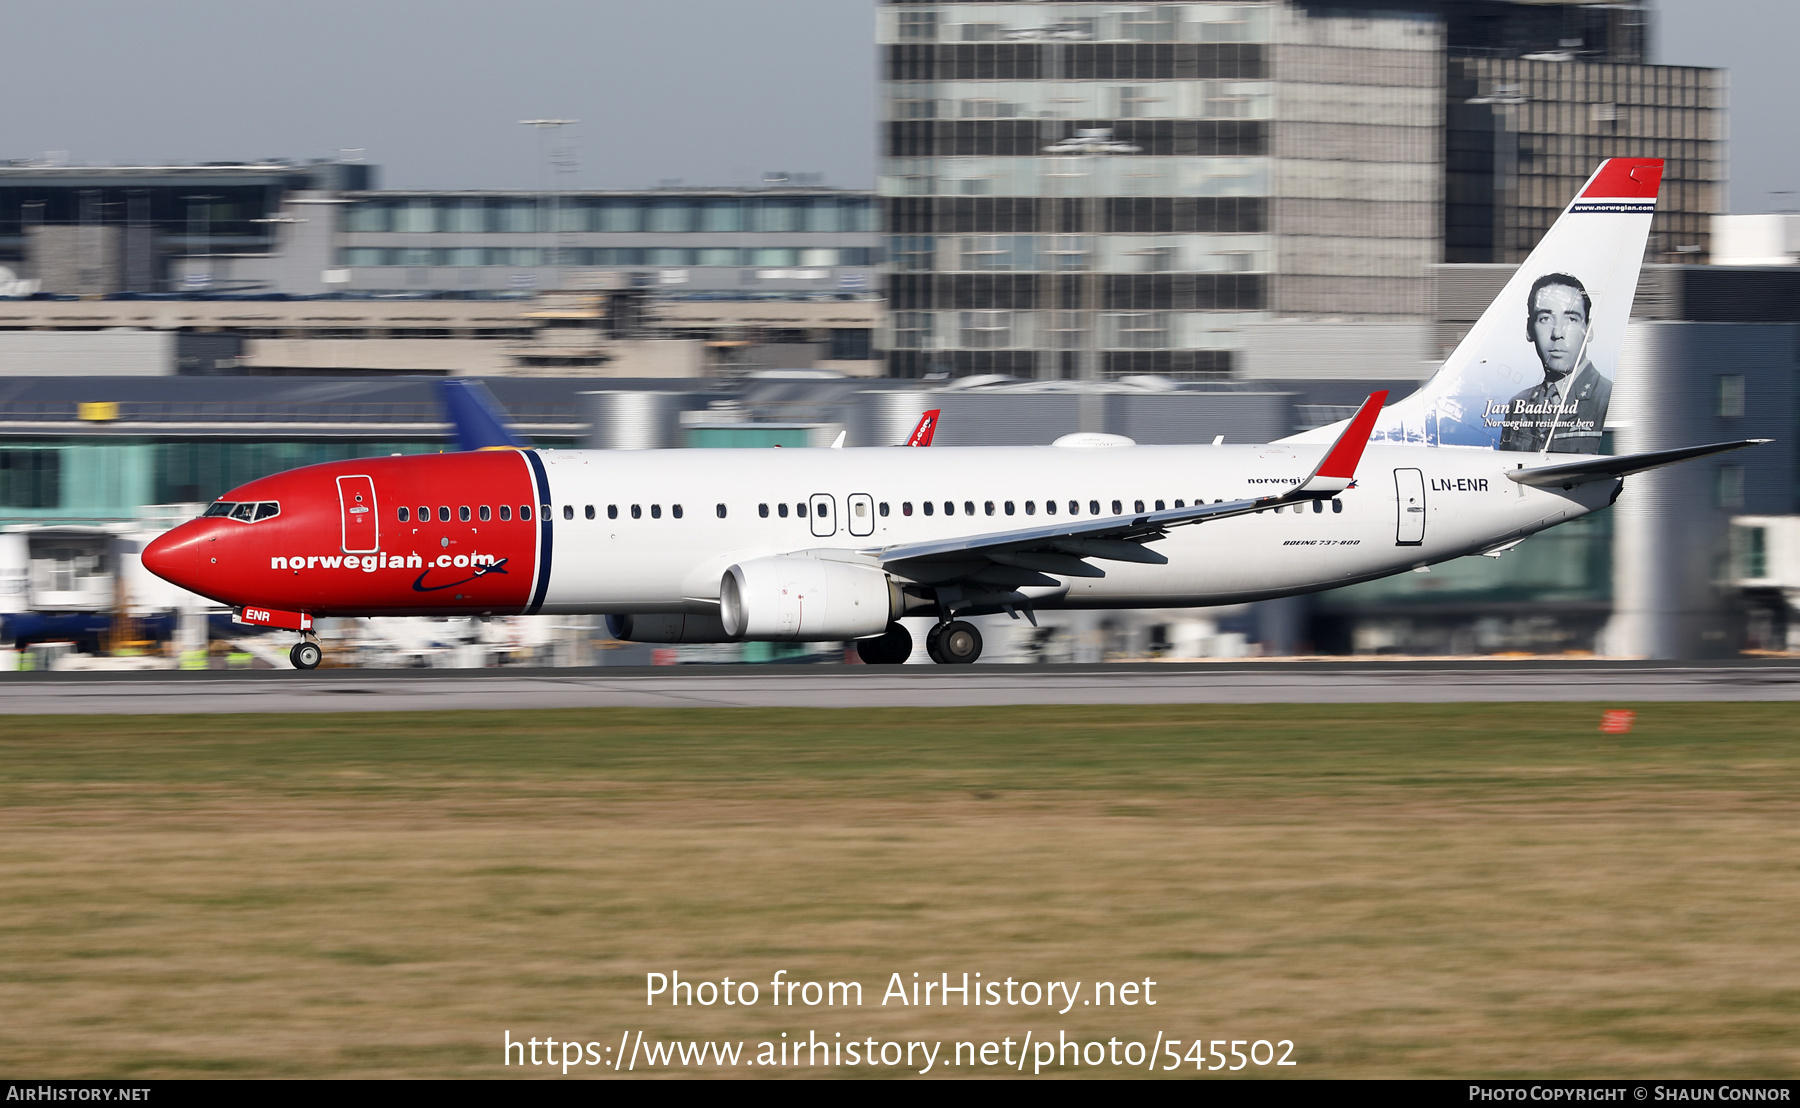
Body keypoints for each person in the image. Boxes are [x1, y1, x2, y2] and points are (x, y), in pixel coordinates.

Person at [1497, 273, 1611, 454]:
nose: (1557, 333)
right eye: (1545, 318)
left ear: (1588, 330)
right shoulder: (1518, 404)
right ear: (1529, 329)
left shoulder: (1607, 398)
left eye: (1571, 319)